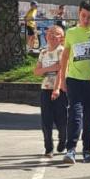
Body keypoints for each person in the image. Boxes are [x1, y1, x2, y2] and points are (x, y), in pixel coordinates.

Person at [54, 0, 90, 164]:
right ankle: (71, 149)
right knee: (75, 113)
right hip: (74, 79)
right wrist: (62, 79)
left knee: (89, 117)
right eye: (83, 15)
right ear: (79, 13)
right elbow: (65, 57)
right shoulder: (71, 33)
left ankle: (87, 150)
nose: (86, 20)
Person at [34, 24, 68, 155]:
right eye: (50, 33)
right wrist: (50, 68)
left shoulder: (62, 51)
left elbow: (62, 70)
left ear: (62, 38)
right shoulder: (43, 52)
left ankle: (63, 140)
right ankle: (48, 147)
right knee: (46, 119)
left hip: (60, 88)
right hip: (45, 88)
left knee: (61, 119)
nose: (52, 36)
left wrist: (57, 88)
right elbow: (37, 71)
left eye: (56, 33)